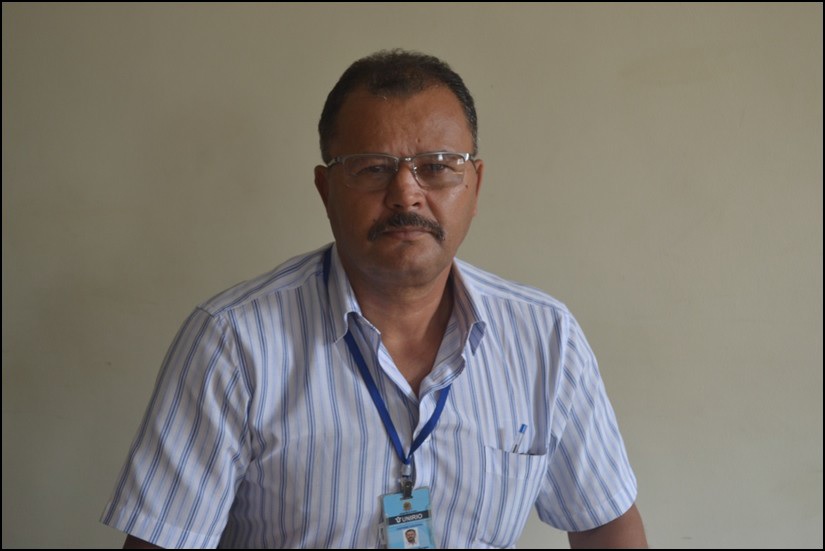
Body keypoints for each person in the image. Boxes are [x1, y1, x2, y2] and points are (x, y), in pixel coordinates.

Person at [101, 49, 647, 549]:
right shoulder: (233, 342)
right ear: (326, 190)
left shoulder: (544, 338)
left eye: (437, 166)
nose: (406, 193)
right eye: (373, 168)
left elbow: (606, 528)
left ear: (475, 186)